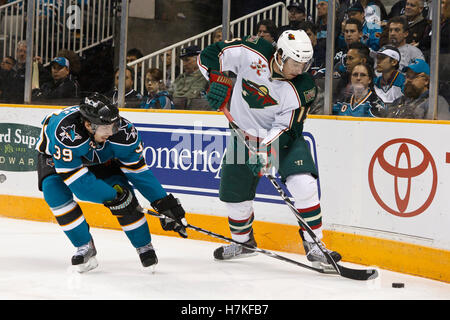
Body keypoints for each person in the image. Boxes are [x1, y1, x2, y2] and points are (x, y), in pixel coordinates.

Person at [198, 30, 342, 267]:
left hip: (284, 138)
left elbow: (287, 127)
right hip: (243, 134)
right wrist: (217, 79)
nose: (299, 70)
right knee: (234, 195)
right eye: (295, 63)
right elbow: (210, 55)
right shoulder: (253, 51)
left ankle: (315, 245)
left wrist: (265, 150)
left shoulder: (303, 87)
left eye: (304, 64)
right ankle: (243, 243)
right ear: (280, 55)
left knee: (304, 184)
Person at [35, 93, 188, 272]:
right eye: (105, 127)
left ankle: (144, 246)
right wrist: (114, 198)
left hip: (100, 159)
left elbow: (138, 171)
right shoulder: (66, 134)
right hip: (55, 158)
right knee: (54, 193)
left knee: (123, 191)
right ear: (88, 125)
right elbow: (80, 185)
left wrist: (162, 202)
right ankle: (84, 246)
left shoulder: (124, 133)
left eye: (113, 125)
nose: (111, 131)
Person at [380, 59, 450, 119]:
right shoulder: (399, 101)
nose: (408, 80)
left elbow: (440, 130)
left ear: (426, 81)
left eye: (413, 76)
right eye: (407, 76)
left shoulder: (435, 102)